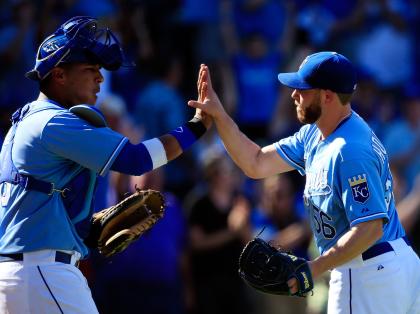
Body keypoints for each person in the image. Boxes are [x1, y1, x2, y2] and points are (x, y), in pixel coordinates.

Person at [0, 16, 210, 313]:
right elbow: (138, 160)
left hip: (20, 273)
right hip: (44, 273)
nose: (99, 78)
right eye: (90, 70)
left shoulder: (25, 122)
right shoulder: (55, 121)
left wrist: (83, 229)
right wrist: (197, 127)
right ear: (58, 75)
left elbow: (41, 203)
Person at [188, 51, 420, 314]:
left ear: (327, 96)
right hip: (381, 268)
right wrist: (220, 115)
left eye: (302, 88)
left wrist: (315, 267)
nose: (293, 95)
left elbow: (370, 228)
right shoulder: (317, 133)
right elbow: (255, 162)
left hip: (368, 270)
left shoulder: (349, 150)